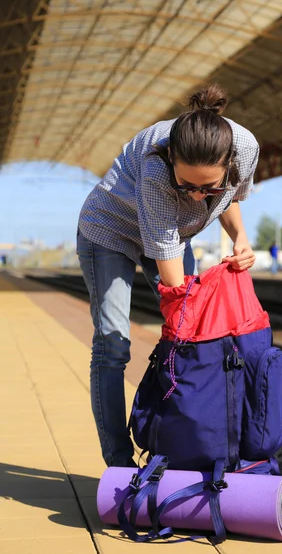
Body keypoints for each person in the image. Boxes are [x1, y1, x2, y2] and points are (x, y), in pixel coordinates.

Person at [77, 84, 259, 467]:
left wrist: (240, 237)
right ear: (172, 158)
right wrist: (188, 327)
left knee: (193, 339)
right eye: (186, 185)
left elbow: (231, 198)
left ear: (229, 162)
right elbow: (170, 268)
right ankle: (119, 461)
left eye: (207, 187)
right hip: (111, 230)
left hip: (172, 236)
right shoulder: (154, 163)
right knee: (114, 344)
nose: (197, 197)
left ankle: (187, 448)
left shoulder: (245, 146)